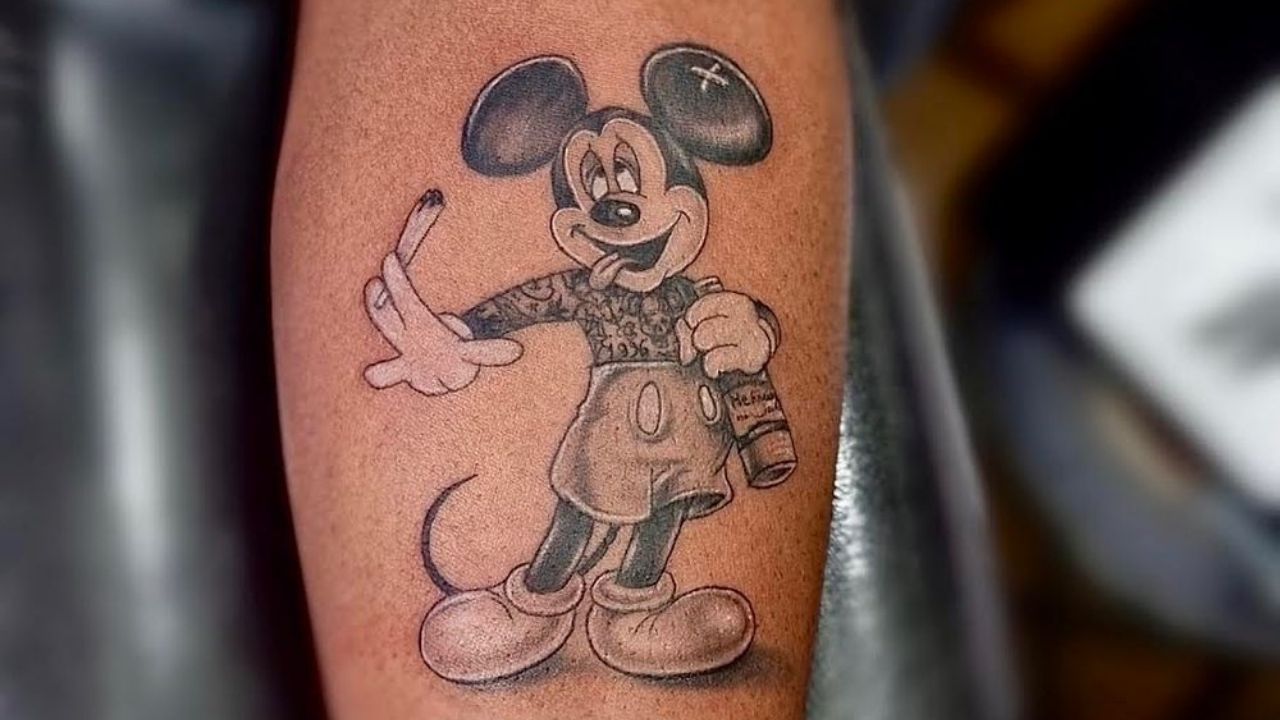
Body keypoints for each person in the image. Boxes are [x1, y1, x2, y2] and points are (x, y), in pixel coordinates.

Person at [271, 1, 851, 717]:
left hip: (693, 431)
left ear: (686, 199)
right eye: (594, 188)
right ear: (572, 225)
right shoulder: (582, 288)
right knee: (580, 513)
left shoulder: (698, 293)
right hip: (611, 426)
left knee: (666, 516)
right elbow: (522, 302)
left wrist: (752, 331)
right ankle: (536, 601)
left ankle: (639, 604)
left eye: (631, 178)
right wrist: (456, 331)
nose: (615, 207)